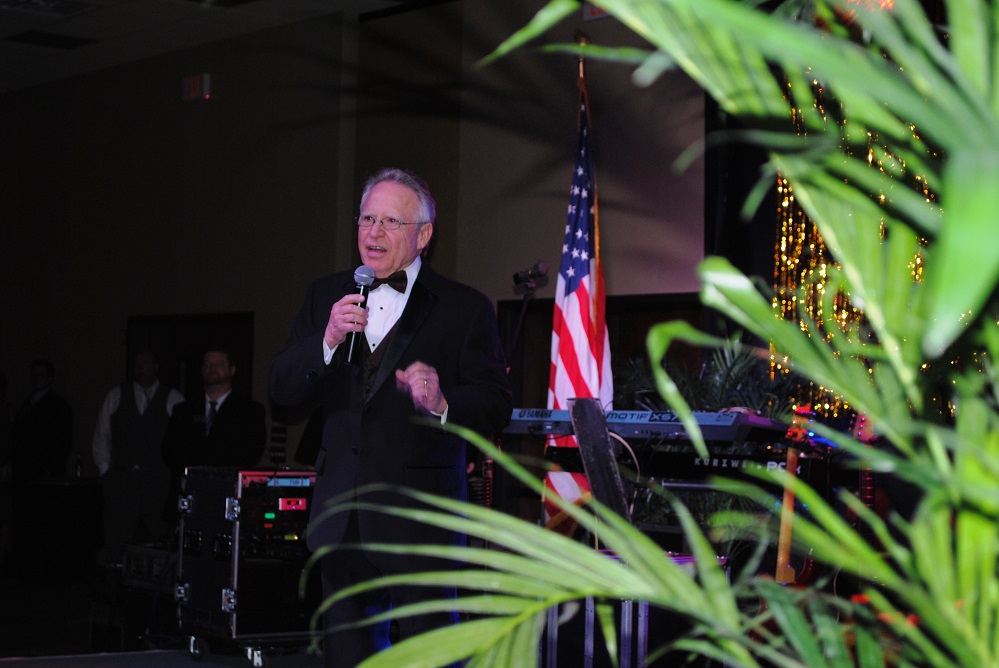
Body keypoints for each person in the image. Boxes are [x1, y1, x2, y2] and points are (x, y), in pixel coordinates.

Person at [268, 167, 512, 667]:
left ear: (423, 235)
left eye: (390, 222)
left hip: (422, 524)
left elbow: (495, 403)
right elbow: (281, 388)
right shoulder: (326, 296)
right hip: (341, 522)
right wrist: (327, 341)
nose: (373, 233)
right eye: (366, 219)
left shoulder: (464, 308)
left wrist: (444, 403)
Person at [92, 351, 184, 566]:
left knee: (160, 537)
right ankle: (115, 588)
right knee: (117, 538)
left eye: (145, 363)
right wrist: (107, 472)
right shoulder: (116, 395)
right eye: (137, 364)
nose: (140, 368)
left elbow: (182, 442)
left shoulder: (173, 398)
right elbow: (101, 435)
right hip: (122, 481)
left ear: (156, 366)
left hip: (158, 483)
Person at [162, 349, 266, 518]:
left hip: (226, 496)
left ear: (232, 370)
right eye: (207, 364)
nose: (212, 368)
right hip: (188, 495)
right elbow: (170, 451)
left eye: (219, 364)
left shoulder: (249, 412)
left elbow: (250, 453)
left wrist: (214, 473)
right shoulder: (183, 410)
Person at [11, 359, 72, 481]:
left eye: (41, 375)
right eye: (33, 375)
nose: (36, 379)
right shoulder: (27, 403)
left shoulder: (58, 405)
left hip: (44, 475)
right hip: (24, 472)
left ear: (50, 378)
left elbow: (62, 440)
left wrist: (48, 468)